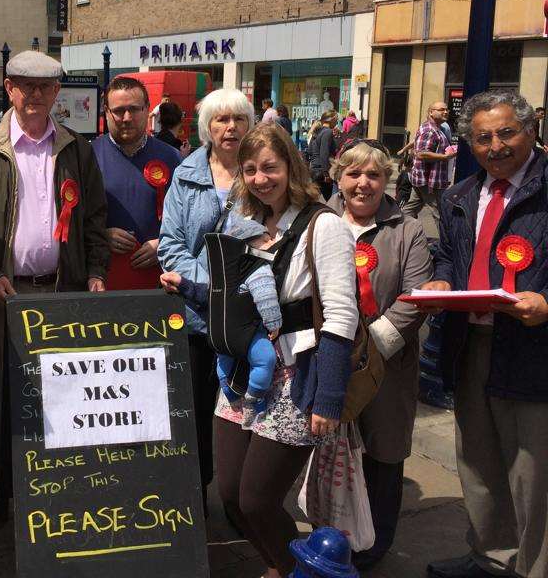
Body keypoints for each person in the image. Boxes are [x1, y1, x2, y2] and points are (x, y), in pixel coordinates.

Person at [0, 50, 109, 531]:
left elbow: (96, 221)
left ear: (57, 92)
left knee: (61, 395)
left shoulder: (77, 149)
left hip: (62, 291)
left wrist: (96, 272)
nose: (36, 95)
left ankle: (57, 487)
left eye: (46, 87)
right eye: (26, 85)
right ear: (9, 89)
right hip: (3, 294)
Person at [211, 123, 358, 578]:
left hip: (296, 375)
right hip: (243, 371)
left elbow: (340, 315)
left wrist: (329, 397)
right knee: (230, 494)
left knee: (258, 498)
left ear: (290, 167)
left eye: (270, 168)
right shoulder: (245, 222)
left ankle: (306, 570)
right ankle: (281, 564)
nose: (259, 178)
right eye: (250, 169)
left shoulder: (324, 224)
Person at [422, 90, 548, 578]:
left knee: (532, 472)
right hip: (470, 343)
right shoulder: (460, 195)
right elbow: (451, 255)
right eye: (482, 137)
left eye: (505, 133)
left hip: (533, 347)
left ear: (531, 129)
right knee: (477, 458)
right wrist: (442, 280)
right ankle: (491, 556)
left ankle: (535, 568)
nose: (495, 146)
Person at [327, 139, 432, 569]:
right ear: (338, 177)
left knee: (383, 457)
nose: (363, 184)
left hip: (388, 365)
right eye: (353, 174)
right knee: (330, 454)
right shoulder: (318, 219)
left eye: (374, 175)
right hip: (329, 359)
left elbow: (417, 294)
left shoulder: (408, 229)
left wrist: (371, 351)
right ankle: (330, 535)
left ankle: (375, 547)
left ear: (387, 179)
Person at [158, 88, 254, 497]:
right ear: (207, 127)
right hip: (196, 317)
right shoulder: (186, 173)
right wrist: (211, 288)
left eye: (238, 119)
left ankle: (241, 498)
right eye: (221, 119)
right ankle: (196, 493)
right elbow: (170, 245)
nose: (230, 127)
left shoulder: (262, 171)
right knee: (194, 409)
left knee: (243, 410)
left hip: (247, 314)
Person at [162, 209, 282, 428]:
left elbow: (207, 293)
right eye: (266, 240)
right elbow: (266, 299)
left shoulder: (224, 274)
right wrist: (274, 324)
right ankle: (254, 399)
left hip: (218, 337)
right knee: (266, 359)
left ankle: (228, 389)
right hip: (245, 335)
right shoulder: (259, 269)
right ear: (251, 247)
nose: (272, 241)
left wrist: (183, 283)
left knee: (223, 362)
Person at [92, 76, 181, 290]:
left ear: (148, 109)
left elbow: (189, 220)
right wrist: (102, 234)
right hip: (102, 282)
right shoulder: (88, 156)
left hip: (160, 283)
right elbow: (72, 220)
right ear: (106, 111)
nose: (127, 117)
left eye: (135, 109)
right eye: (119, 110)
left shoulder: (173, 158)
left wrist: (164, 244)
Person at [402, 102, 454, 229]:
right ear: (431, 112)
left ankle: (398, 229)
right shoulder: (430, 130)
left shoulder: (437, 129)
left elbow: (418, 145)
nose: (446, 112)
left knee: (411, 207)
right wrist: (445, 157)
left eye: (447, 110)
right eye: (441, 109)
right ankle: (446, 244)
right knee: (440, 212)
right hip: (429, 181)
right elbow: (421, 154)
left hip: (426, 179)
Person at [306, 111, 339, 200]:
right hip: (322, 171)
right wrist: (326, 174)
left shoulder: (317, 131)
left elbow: (309, 150)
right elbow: (324, 153)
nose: (337, 123)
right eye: (336, 120)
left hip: (314, 169)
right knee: (329, 201)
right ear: (332, 119)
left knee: (315, 200)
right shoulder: (328, 132)